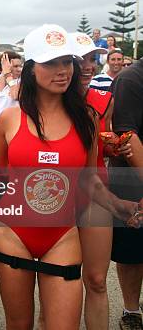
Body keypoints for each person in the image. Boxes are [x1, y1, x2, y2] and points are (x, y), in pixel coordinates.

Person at [0, 24, 139, 329]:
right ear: (30, 70)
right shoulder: (9, 119)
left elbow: (89, 179)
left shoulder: (87, 119)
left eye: (66, 61)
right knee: (19, 324)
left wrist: (118, 205)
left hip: (62, 236)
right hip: (11, 235)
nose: (63, 71)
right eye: (51, 63)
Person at [72, 31, 132, 330]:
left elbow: (102, 141)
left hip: (96, 193)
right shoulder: (45, 102)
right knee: (58, 276)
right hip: (58, 195)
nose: (88, 65)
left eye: (92, 58)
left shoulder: (102, 99)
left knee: (96, 280)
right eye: (80, 59)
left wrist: (114, 145)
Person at [108, 58, 143, 330]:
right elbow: (127, 134)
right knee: (133, 252)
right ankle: (132, 309)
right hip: (133, 179)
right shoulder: (130, 79)